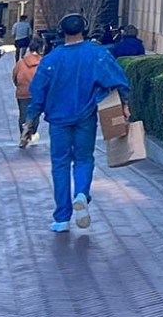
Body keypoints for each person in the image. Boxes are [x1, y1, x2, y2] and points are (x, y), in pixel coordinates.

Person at [24, 14, 131, 233]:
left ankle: (62, 217)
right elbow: (117, 77)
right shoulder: (97, 54)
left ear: (61, 31)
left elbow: (37, 92)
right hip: (85, 116)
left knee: (60, 164)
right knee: (83, 158)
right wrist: (125, 103)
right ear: (85, 29)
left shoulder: (51, 59)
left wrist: (30, 121)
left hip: (58, 119)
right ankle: (81, 193)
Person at [13, 35, 44, 148]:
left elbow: (15, 76)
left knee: (23, 114)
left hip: (22, 92)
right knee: (35, 115)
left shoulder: (21, 63)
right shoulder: (43, 63)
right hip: (37, 93)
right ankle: (32, 134)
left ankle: (24, 136)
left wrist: (19, 86)